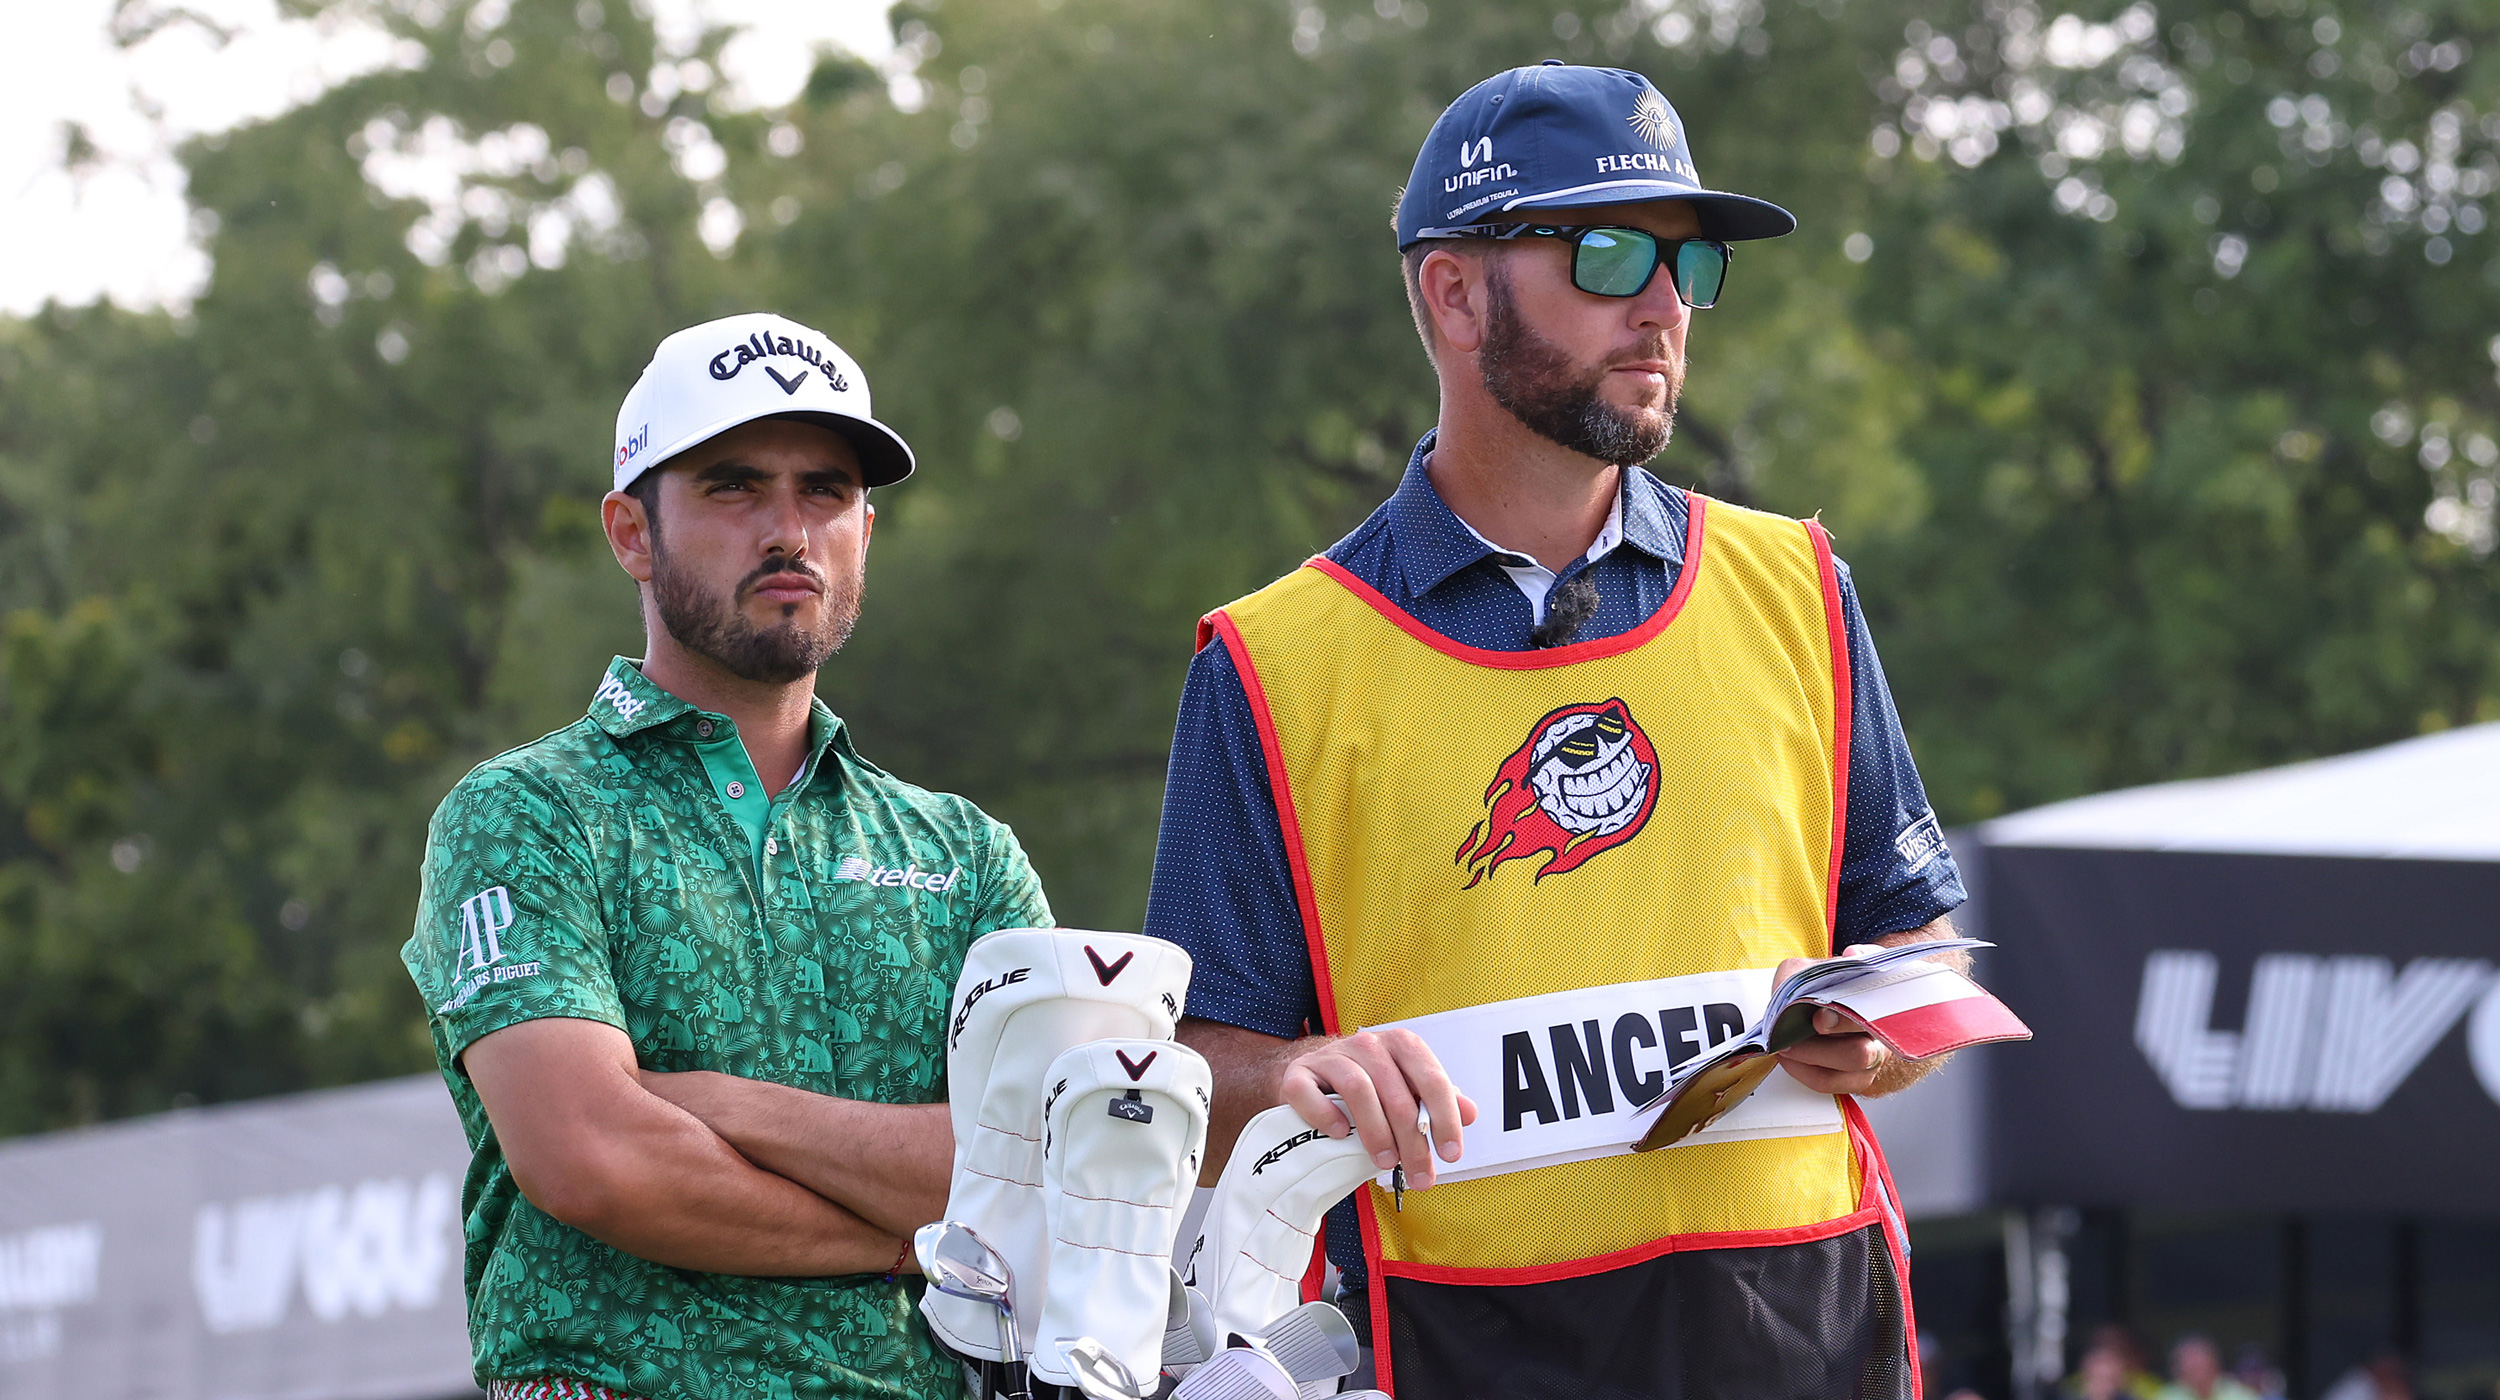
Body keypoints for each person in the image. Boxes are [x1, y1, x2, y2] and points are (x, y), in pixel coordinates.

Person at [1145, 62, 1976, 1399]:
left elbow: (1911, 930)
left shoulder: (1797, 585)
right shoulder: (1270, 663)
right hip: (1462, 1339)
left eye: (1687, 265)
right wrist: (1307, 1069)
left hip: (1803, 1324)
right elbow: (1195, 1071)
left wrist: (1881, 1029)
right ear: (1454, 292)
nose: (1663, 308)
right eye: (1608, 255)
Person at [402, 313, 1053, 1400]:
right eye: (734, 486)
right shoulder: (524, 812)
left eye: (826, 491)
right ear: (630, 532)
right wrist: (912, 1237)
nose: (789, 529)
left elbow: (1034, 1172)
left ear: (865, 531)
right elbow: (593, 1159)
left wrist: (716, 1103)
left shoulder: (965, 851)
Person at [2156, 1335, 2260, 1400]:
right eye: (2191, 1369)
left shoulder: (2242, 1395)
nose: (2198, 1375)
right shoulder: (2166, 1397)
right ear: (2177, 1372)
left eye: (2201, 1366)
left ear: (2215, 1364)